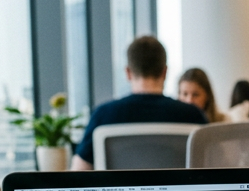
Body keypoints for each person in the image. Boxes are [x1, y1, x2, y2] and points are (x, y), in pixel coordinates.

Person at [72, 36, 207, 170]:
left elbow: (78, 172)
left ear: (128, 72)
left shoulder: (103, 115)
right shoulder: (192, 116)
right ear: (165, 72)